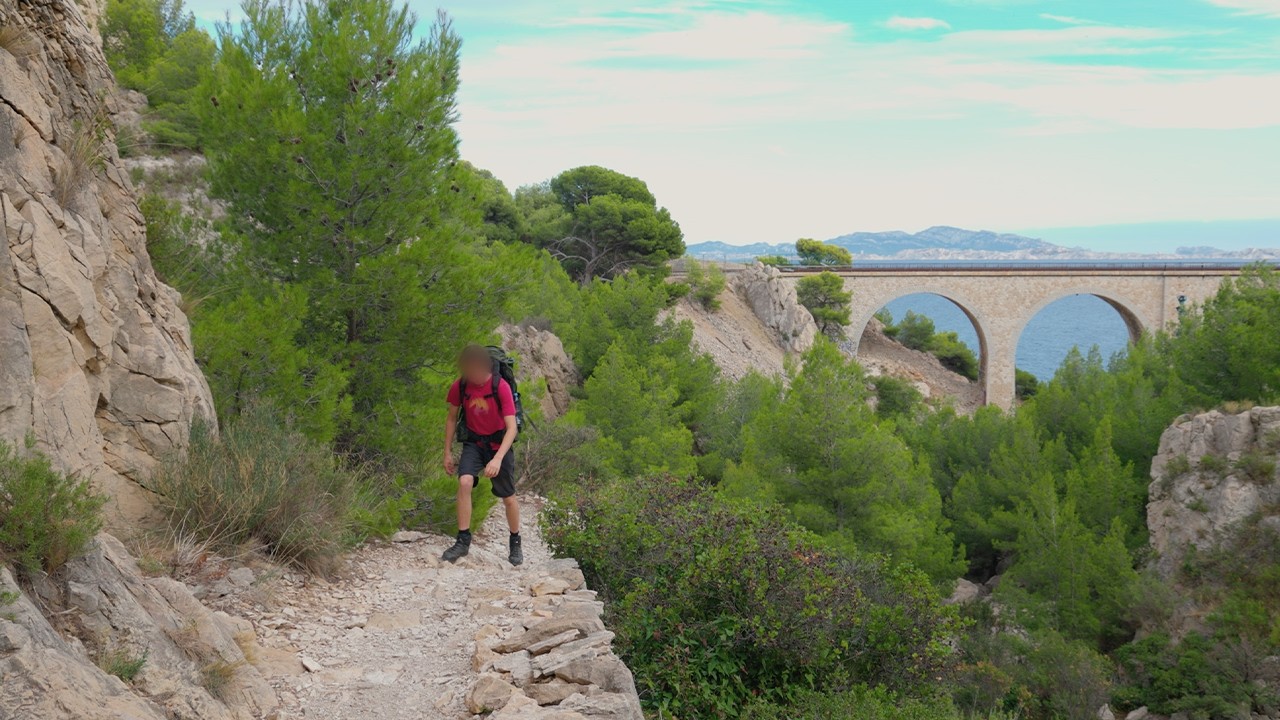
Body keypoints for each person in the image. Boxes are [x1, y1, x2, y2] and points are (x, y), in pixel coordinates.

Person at [441, 344, 522, 565]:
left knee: (508, 498)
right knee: (465, 482)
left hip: (499, 444)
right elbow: (451, 418)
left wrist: (497, 459)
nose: (472, 374)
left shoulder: (500, 386)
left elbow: (512, 428)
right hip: (474, 443)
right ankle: (463, 540)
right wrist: (447, 452)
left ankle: (515, 541)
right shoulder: (461, 386)